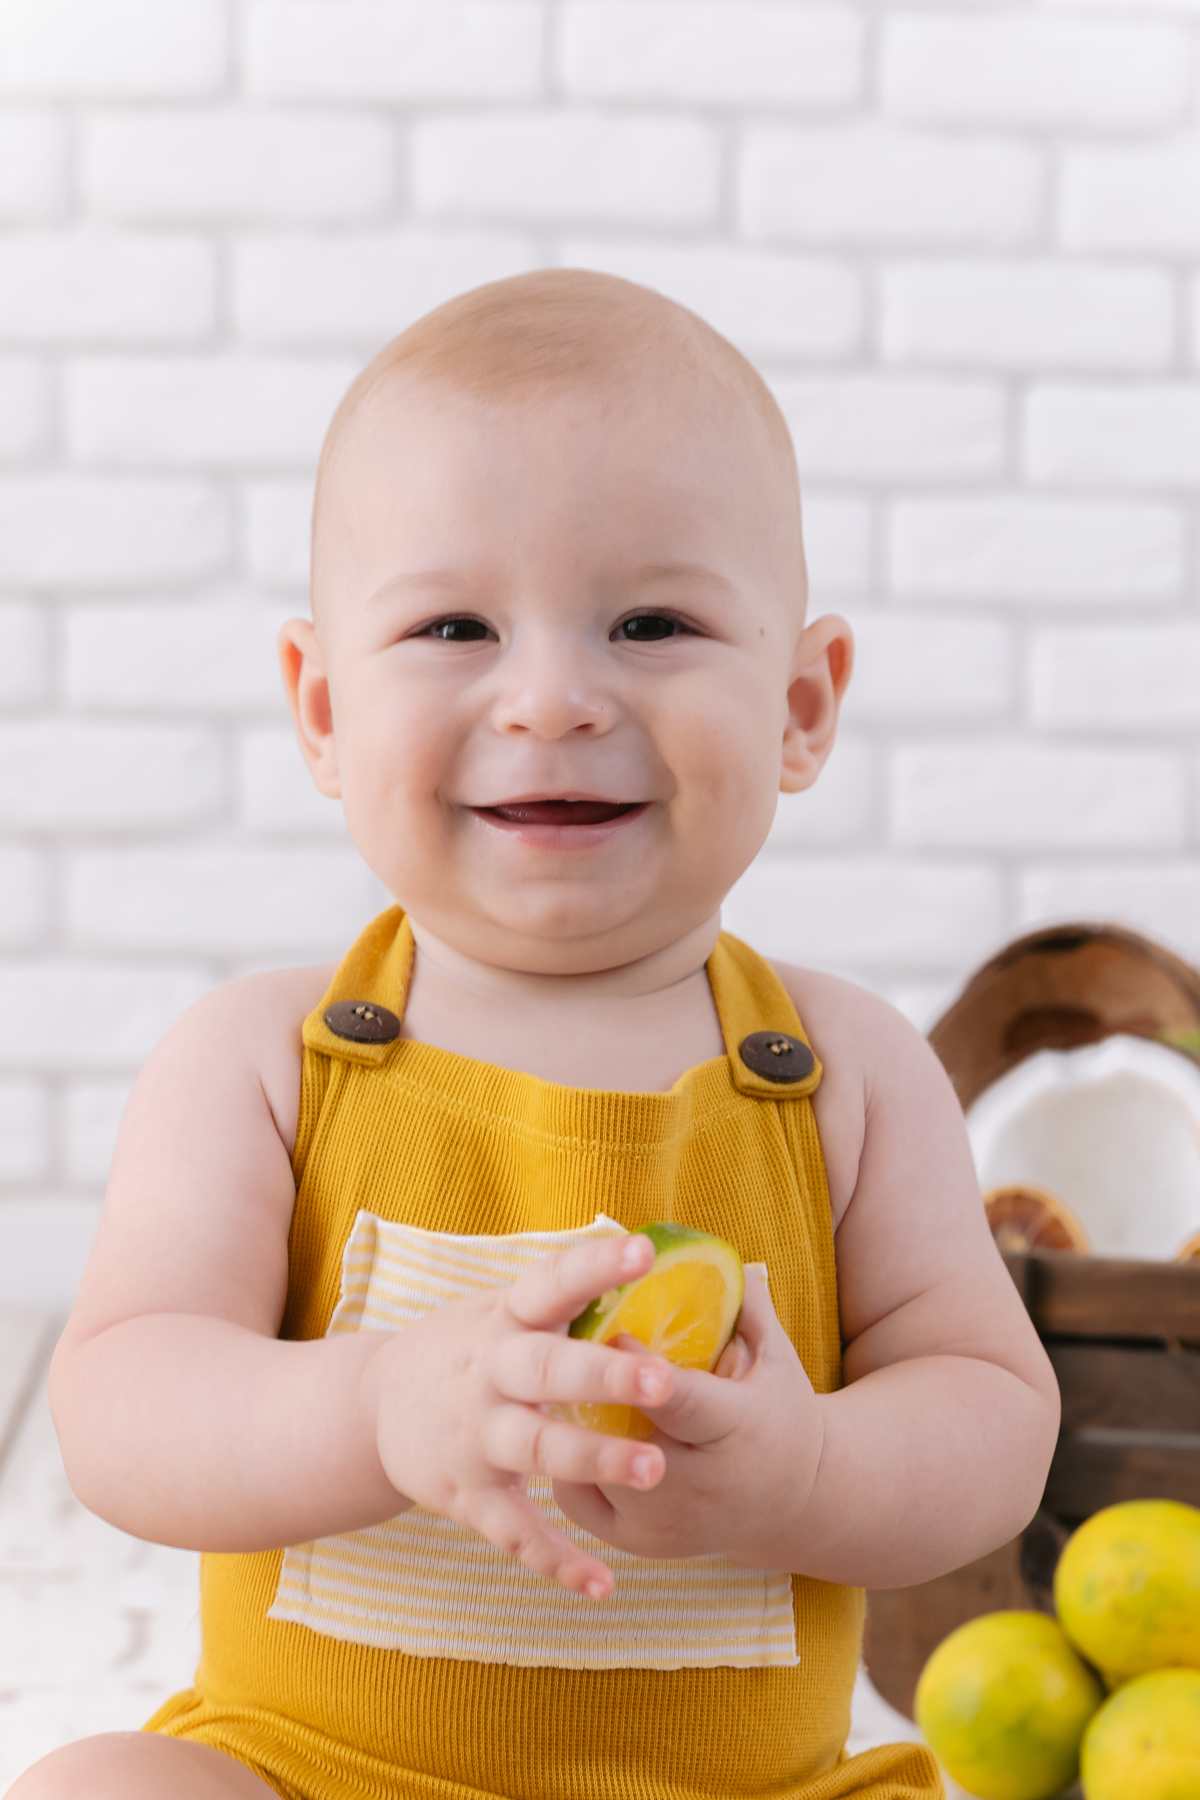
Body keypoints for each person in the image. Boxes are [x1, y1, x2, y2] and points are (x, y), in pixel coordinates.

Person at [10, 271, 1059, 1800]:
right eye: (454, 625)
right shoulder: (264, 1064)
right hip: (317, 1773)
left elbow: (995, 1425)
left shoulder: (846, 1076)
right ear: (321, 709)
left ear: (800, 705)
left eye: (652, 623)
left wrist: (810, 1469)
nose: (554, 700)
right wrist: (376, 1407)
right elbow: (122, 1410)